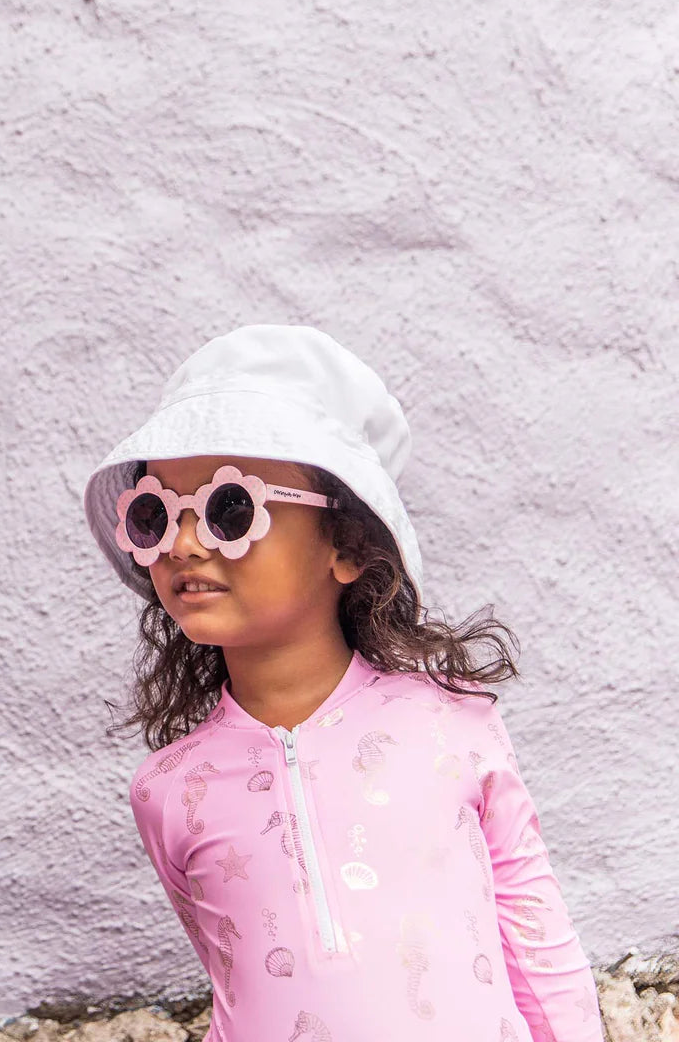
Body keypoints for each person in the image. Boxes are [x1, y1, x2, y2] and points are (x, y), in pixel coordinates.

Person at [83, 324, 602, 1042]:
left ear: (350, 545)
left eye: (230, 508)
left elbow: (541, 948)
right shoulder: (169, 789)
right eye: (155, 513)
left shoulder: (450, 724)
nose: (186, 541)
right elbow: (233, 985)